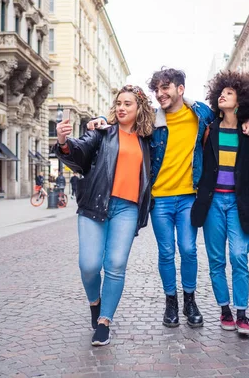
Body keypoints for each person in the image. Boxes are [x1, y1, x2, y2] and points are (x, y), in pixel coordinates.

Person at [88, 67, 249, 329]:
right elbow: (123, 118)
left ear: (180, 89)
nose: (160, 93)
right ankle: (171, 302)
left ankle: (190, 300)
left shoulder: (200, 115)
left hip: (189, 195)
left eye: (165, 87)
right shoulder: (151, 121)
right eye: (157, 89)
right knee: (166, 252)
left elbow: (230, 116)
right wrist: (100, 119)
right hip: (160, 199)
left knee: (188, 250)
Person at [54, 85, 154, 346]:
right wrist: (64, 142)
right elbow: (80, 151)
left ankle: (104, 321)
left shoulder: (149, 139)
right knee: (88, 265)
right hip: (95, 205)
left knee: (116, 265)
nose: (121, 107)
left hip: (127, 208)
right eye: (119, 103)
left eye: (128, 104)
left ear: (139, 108)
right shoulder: (103, 132)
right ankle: (94, 302)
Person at [191, 71, 249, 335]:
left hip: (238, 202)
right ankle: (225, 309)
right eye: (221, 92)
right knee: (217, 260)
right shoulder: (209, 129)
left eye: (230, 93)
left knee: (239, 256)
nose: (223, 95)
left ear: (241, 99)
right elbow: (190, 106)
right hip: (212, 202)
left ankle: (242, 313)